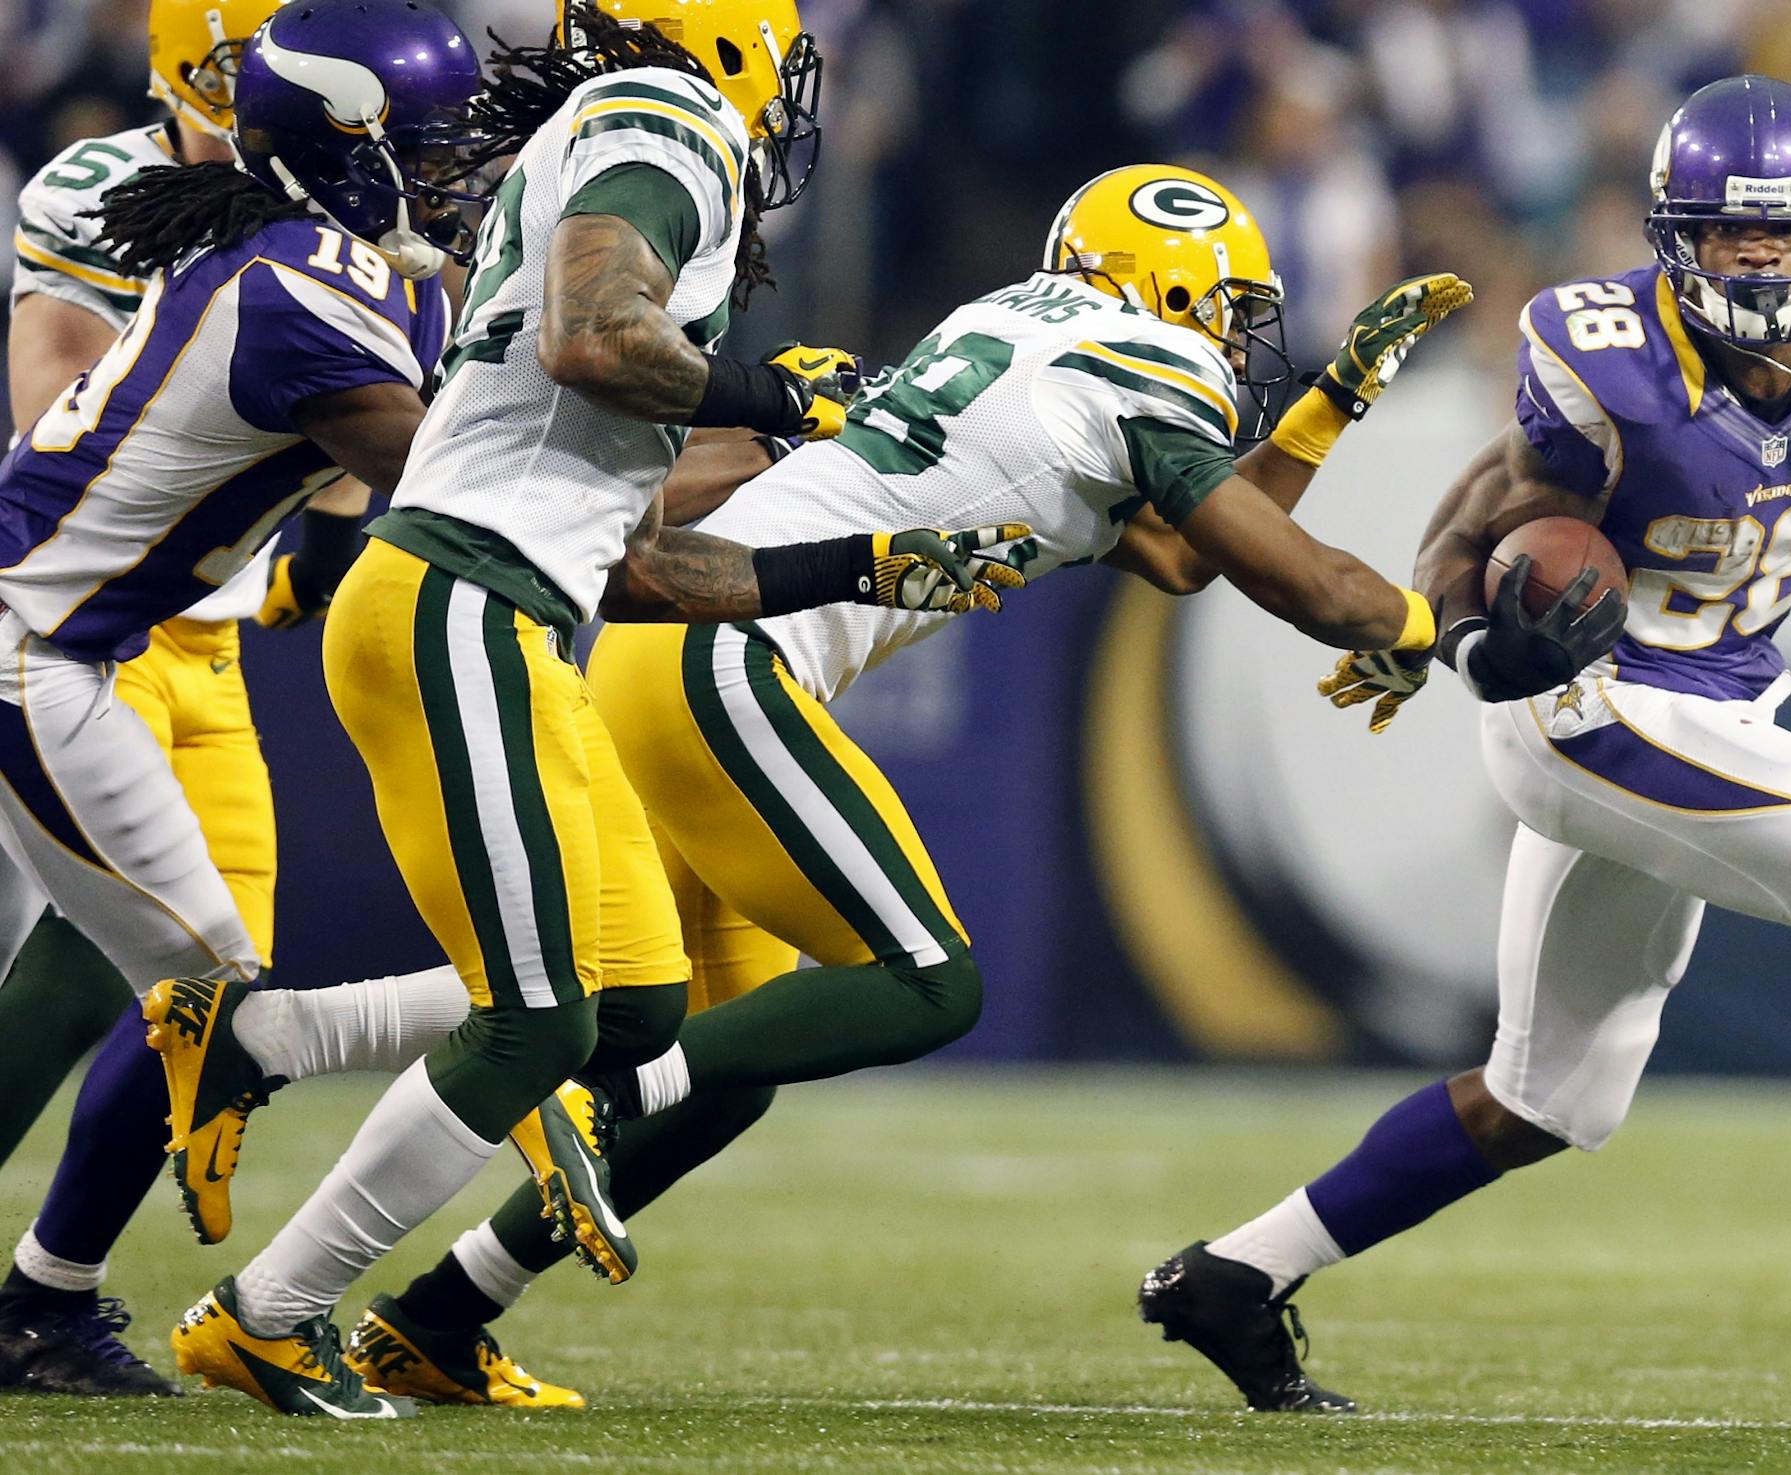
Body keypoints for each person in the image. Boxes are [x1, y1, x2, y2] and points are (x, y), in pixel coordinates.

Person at [324, 161, 1469, 1403]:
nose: (1237, 339)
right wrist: (1428, 626)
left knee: (728, 1073)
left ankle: (437, 1317)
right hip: (726, 653)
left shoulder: (1019, 325)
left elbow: (1182, 553)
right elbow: (1307, 585)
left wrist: (1331, 404)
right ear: (1170, 286)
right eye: (1227, 305)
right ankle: (593, 1100)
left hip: (661, 645)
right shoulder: (1143, 367)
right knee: (926, 982)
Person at [1142, 75, 1791, 1412]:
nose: (1759, 257)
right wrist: (1458, 633)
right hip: (1589, 703)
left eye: (1788, 231)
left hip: (1721, 707)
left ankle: (1234, 1271)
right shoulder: (1606, 352)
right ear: (1669, 234)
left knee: (1549, 1095)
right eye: (1727, 231)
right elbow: (1477, 515)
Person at [160, 0, 1016, 1418]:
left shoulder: (609, 158)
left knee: (631, 1003)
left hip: (492, 596)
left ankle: (263, 1036)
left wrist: (864, 560)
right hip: (457, 602)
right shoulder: (666, 128)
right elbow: (592, 339)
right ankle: (269, 1311)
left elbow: (642, 563)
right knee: (537, 1025)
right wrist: (768, 389)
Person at [0, 0, 383, 1397]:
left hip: (209, 641)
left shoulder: (343, 215)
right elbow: (48, 383)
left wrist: (325, 520)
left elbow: (349, 427)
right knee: (66, 981)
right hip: (81, 627)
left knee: (207, 1011)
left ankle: (46, 1296)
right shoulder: (109, 190)